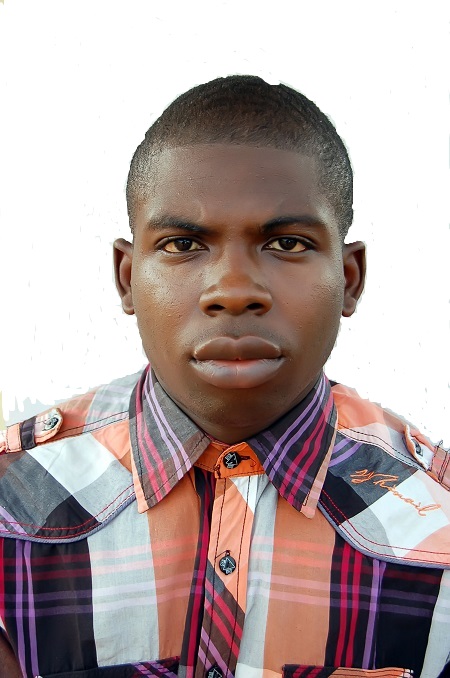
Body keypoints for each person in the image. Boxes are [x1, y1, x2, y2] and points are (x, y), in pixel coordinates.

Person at [0, 75, 449, 678]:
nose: (234, 291)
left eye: (288, 242)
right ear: (127, 278)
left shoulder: (438, 518)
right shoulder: (10, 497)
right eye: (182, 244)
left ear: (349, 278)